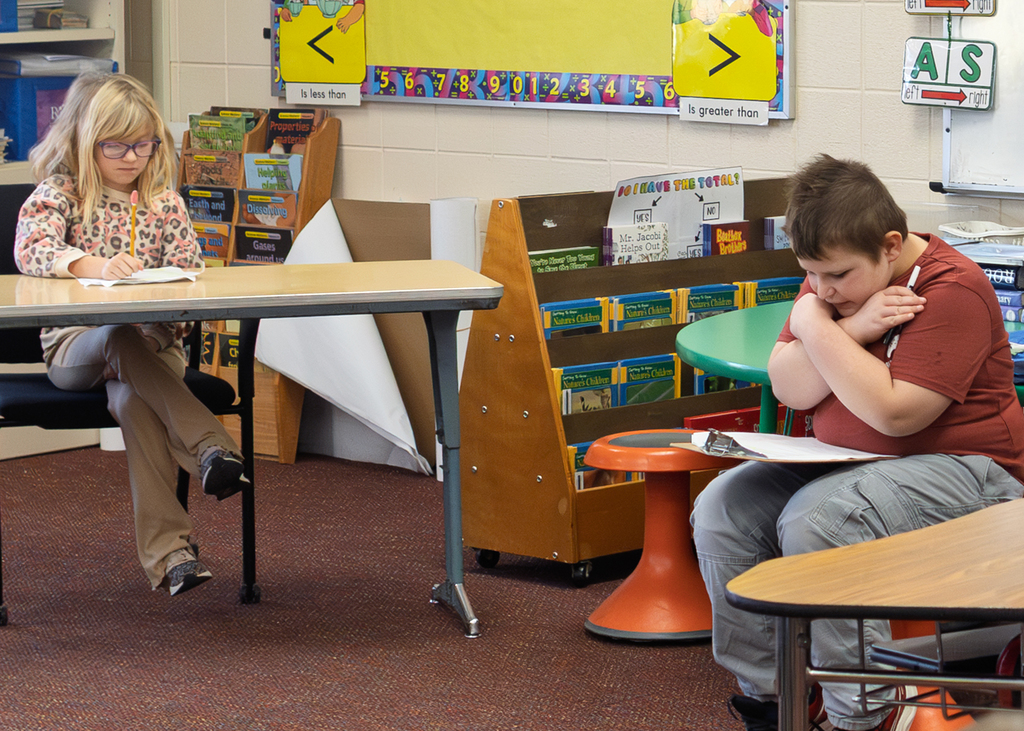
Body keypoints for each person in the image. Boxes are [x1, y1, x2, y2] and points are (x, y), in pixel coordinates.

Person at [691, 155, 1024, 731]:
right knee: (723, 507)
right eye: (810, 275)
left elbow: (895, 414)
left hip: (974, 475)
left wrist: (812, 325)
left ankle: (864, 715)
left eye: (838, 276)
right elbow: (791, 388)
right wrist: (847, 326)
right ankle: (778, 701)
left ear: (890, 246)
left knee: (822, 519)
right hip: (852, 467)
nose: (821, 288)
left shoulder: (953, 289)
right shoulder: (835, 283)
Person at [14, 72, 250, 597]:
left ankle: (172, 558)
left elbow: (189, 276)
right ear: (85, 141)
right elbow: (32, 250)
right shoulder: (60, 194)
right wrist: (92, 265)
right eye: (115, 146)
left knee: (132, 401)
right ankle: (210, 447)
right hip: (76, 349)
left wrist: (165, 317)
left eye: (143, 145)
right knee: (118, 335)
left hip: (153, 350)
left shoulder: (165, 203)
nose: (131, 158)